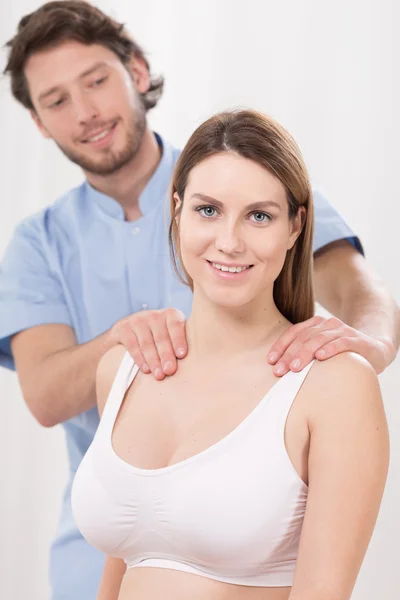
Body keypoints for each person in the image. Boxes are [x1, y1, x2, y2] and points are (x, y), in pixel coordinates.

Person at [0, 2, 397, 600]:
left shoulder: (238, 165)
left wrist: (368, 348)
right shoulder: (41, 245)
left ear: (135, 70)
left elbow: (358, 288)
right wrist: (121, 339)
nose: (85, 112)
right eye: (56, 100)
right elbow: (45, 394)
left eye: (96, 81)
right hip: (99, 535)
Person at [71, 109, 389, 600]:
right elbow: (122, 565)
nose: (229, 242)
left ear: (296, 227)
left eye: (259, 215)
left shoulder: (333, 386)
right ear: (176, 211)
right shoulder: (124, 368)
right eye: (208, 210)